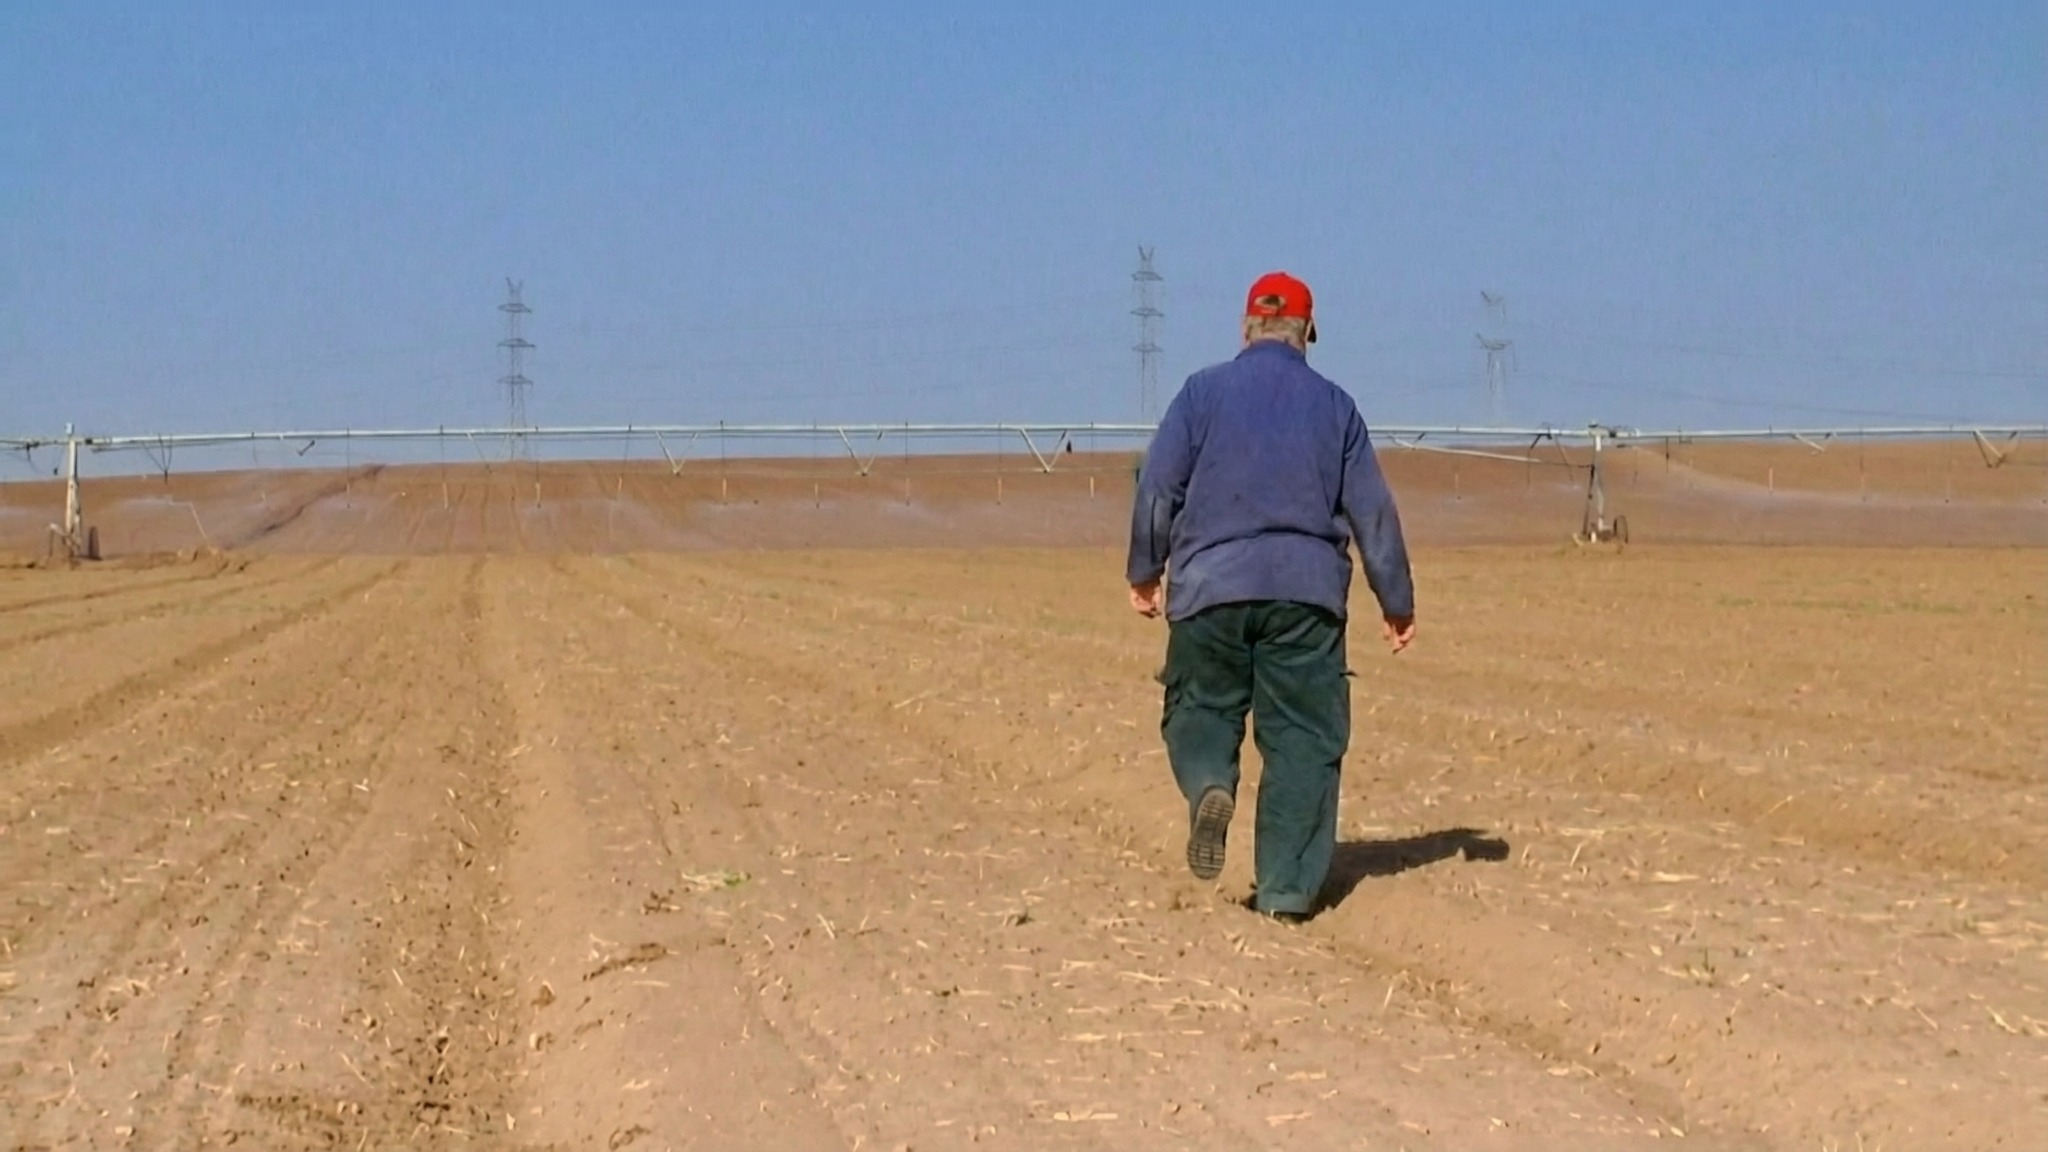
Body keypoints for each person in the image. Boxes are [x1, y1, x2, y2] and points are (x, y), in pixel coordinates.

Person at [1125, 271, 1416, 921]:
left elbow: (1157, 489)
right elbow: (1372, 511)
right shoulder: (1336, 407)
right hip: (1305, 595)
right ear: (1308, 332)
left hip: (1209, 588)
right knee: (1303, 740)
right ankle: (1284, 892)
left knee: (1199, 705)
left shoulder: (1200, 394)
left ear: (1244, 326)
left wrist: (1145, 570)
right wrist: (1397, 602)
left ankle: (1208, 783)